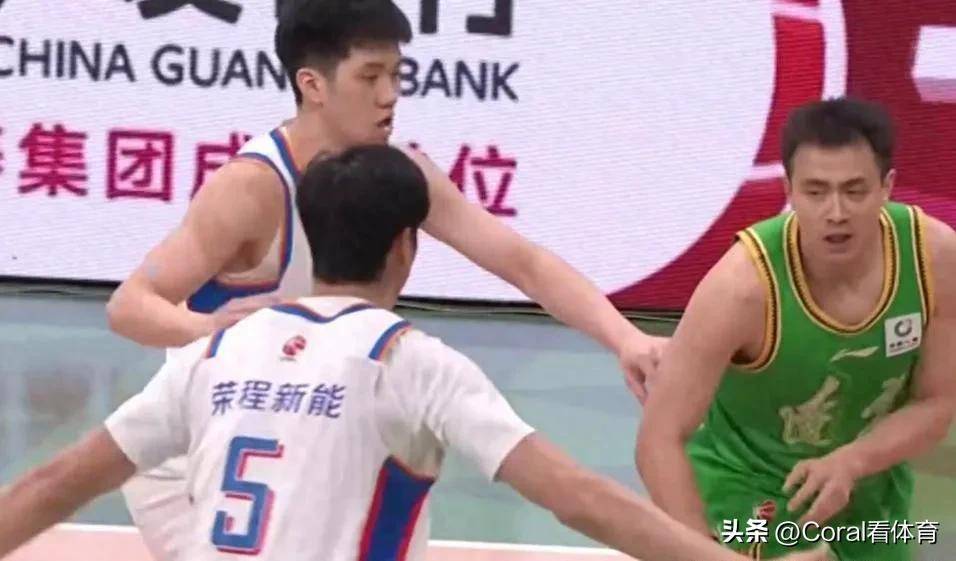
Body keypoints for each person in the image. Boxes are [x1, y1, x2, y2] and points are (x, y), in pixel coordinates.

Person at [0, 146, 823, 561]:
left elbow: (51, 483)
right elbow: (578, 497)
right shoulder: (409, 361)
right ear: (406, 247)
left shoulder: (214, 351)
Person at [106, 3, 663, 557]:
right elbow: (130, 305)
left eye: (396, 75)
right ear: (312, 85)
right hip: (195, 454)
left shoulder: (400, 176)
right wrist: (211, 330)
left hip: (308, 427)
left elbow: (523, 262)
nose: (389, 94)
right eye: (370, 77)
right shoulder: (252, 187)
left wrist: (625, 338)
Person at [636, 96, 956, 560]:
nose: (836, 212)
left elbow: (937, 403)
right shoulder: (741, 288)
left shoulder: (935, 258)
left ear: (887, 187)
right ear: (789, 190)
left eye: (855, 190)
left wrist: (854, 461)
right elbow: (658, 439)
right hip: (750, 494)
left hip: (866, 486)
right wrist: (703, 554)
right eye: (816, 192)